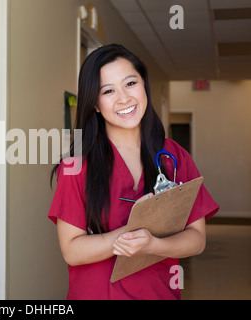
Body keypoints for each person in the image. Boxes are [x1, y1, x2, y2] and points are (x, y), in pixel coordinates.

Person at [48, 44, 219, 300]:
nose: (124, 98)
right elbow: (72, 250)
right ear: (94, 104)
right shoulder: (76, 166)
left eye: (130, 83)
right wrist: (128, 234)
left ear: (144, 86)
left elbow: (197, 239)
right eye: (108, 91)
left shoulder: (174, 157)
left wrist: (154, 244)